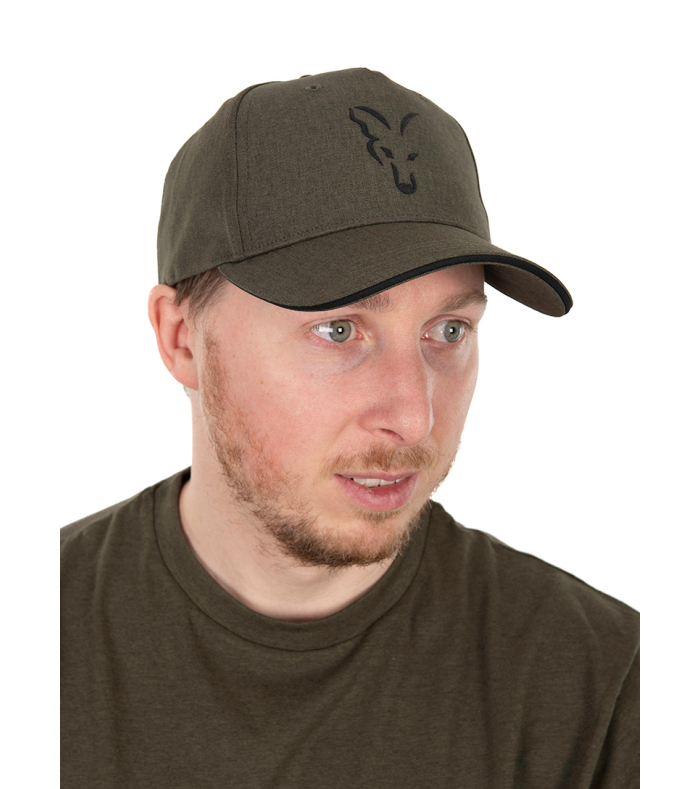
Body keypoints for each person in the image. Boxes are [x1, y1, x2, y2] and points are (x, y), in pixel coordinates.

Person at [61, 68, 639, 787]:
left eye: (448, 329)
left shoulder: (599, 686)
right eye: (338, 330)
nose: (414, 415)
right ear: (181, 339)